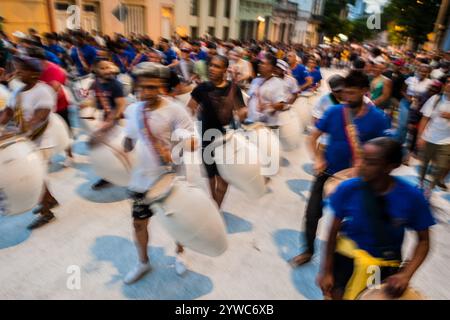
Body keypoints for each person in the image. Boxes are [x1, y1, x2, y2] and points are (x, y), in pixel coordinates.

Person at [290, 70, 391, 267]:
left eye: (352, 93)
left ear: (364, 91)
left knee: (350, 222)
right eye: (345, 93)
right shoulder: (334, 112)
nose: (346, 97)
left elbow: (386, 149)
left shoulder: (378, 118)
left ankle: (340, 258)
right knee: (312, 214)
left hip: (358, 179)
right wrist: (318, 158)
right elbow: (312, 137)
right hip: (327, 172)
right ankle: (308, 250)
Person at [317, 137, 434, 300]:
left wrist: (406, 274)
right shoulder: (348, 189)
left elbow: (424, 242)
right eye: (362, 158)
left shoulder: (412, 198)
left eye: (371, 162)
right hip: (346, 259)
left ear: (391, 166)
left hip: (384, 266)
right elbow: (332, 232)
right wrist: (326, 271)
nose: (362, 166)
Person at [122, 62, 197, 284]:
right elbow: (130, 140)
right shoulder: (132, 110)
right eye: (142, 87)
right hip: (141, 180)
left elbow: (194, 142)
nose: (145, 92)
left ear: (162, 86)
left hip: (171, 177)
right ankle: (143, 262)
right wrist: (125, 143)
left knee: (178, 221)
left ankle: (180, 253)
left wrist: (175, 147)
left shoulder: (174, 110)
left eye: (152, 87)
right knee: (138, 223)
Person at [0, 56, 59, 229]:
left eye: (21, 70)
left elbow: (40, 117)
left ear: (34, 74)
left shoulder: (43, 91)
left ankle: (47, 213)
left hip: (42, 142)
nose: (17, 73)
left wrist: (18, 133)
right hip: (25, 142)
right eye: (17, 69)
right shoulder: (18, 92)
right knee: (41, 177)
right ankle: (50, 201)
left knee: (37, 177)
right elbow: (7, 114)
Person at [187, 55, 247, 208]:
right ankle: (214, 203)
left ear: (225, 70)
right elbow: (189, 108)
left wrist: (241, 115)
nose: (212, 69)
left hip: (226, 141)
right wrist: (190, 131)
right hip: (206, 140)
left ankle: (216, 207)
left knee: (223, 179)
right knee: (211, 176)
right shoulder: (201, 88)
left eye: (217, 66)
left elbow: (242, 111)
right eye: (211, 65)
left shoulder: (233, 89)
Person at [80, 58, 127, 190]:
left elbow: (121, 105)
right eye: (103, 68)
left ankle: (126, 174)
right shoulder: (95, 84)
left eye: (108, 67)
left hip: (116, 122)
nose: (107, 70)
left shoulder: (115, 84)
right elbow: (95, 100)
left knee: (118, 150)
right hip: (103, 119)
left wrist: (109, 123)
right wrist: (87, 104)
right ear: (95, 70)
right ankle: (108, 176)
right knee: (103, 150)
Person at [416, 76, 450, 194]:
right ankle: (420, 182)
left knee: (441, 167)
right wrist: (420, 136)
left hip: (446, 141)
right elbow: (425, 119)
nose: (449, 85)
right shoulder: (435, 99)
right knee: (424, 163)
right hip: (429, 137)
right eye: (448, 82)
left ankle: (430, 188)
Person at [397, 64, 433, 145]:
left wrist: (419, 102)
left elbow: (430, 95)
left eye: (425, 72)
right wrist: (409, 99)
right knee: (403, 124)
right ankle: (398, 142)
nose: (422, 73)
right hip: (406, 102)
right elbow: (402, 90)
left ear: (428, 73)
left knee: (412, 126)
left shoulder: (430, 83)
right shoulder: (410, 79)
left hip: (420, 105)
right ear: (417, 70)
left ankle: (407, 143)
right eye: (421, 71)